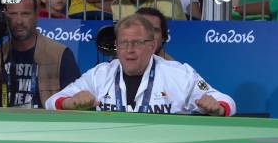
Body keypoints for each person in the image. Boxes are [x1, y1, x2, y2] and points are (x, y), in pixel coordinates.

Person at [46, 14, 236, 116]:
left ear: (152, 45)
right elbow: (52, 102)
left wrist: (217, 107)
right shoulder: (100, 74)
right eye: (123, 43)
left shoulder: (179, 74)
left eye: (137, 43)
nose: (129, 50)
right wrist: (70, 102)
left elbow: (228, 103)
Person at [0, 0, 81, 108]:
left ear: (36, 15)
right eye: (13, 14)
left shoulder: (60, 54)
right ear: (5, 15)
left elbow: (75, 102)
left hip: (43, 124)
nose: (19, 21)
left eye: (25, 14)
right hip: (2, 123)